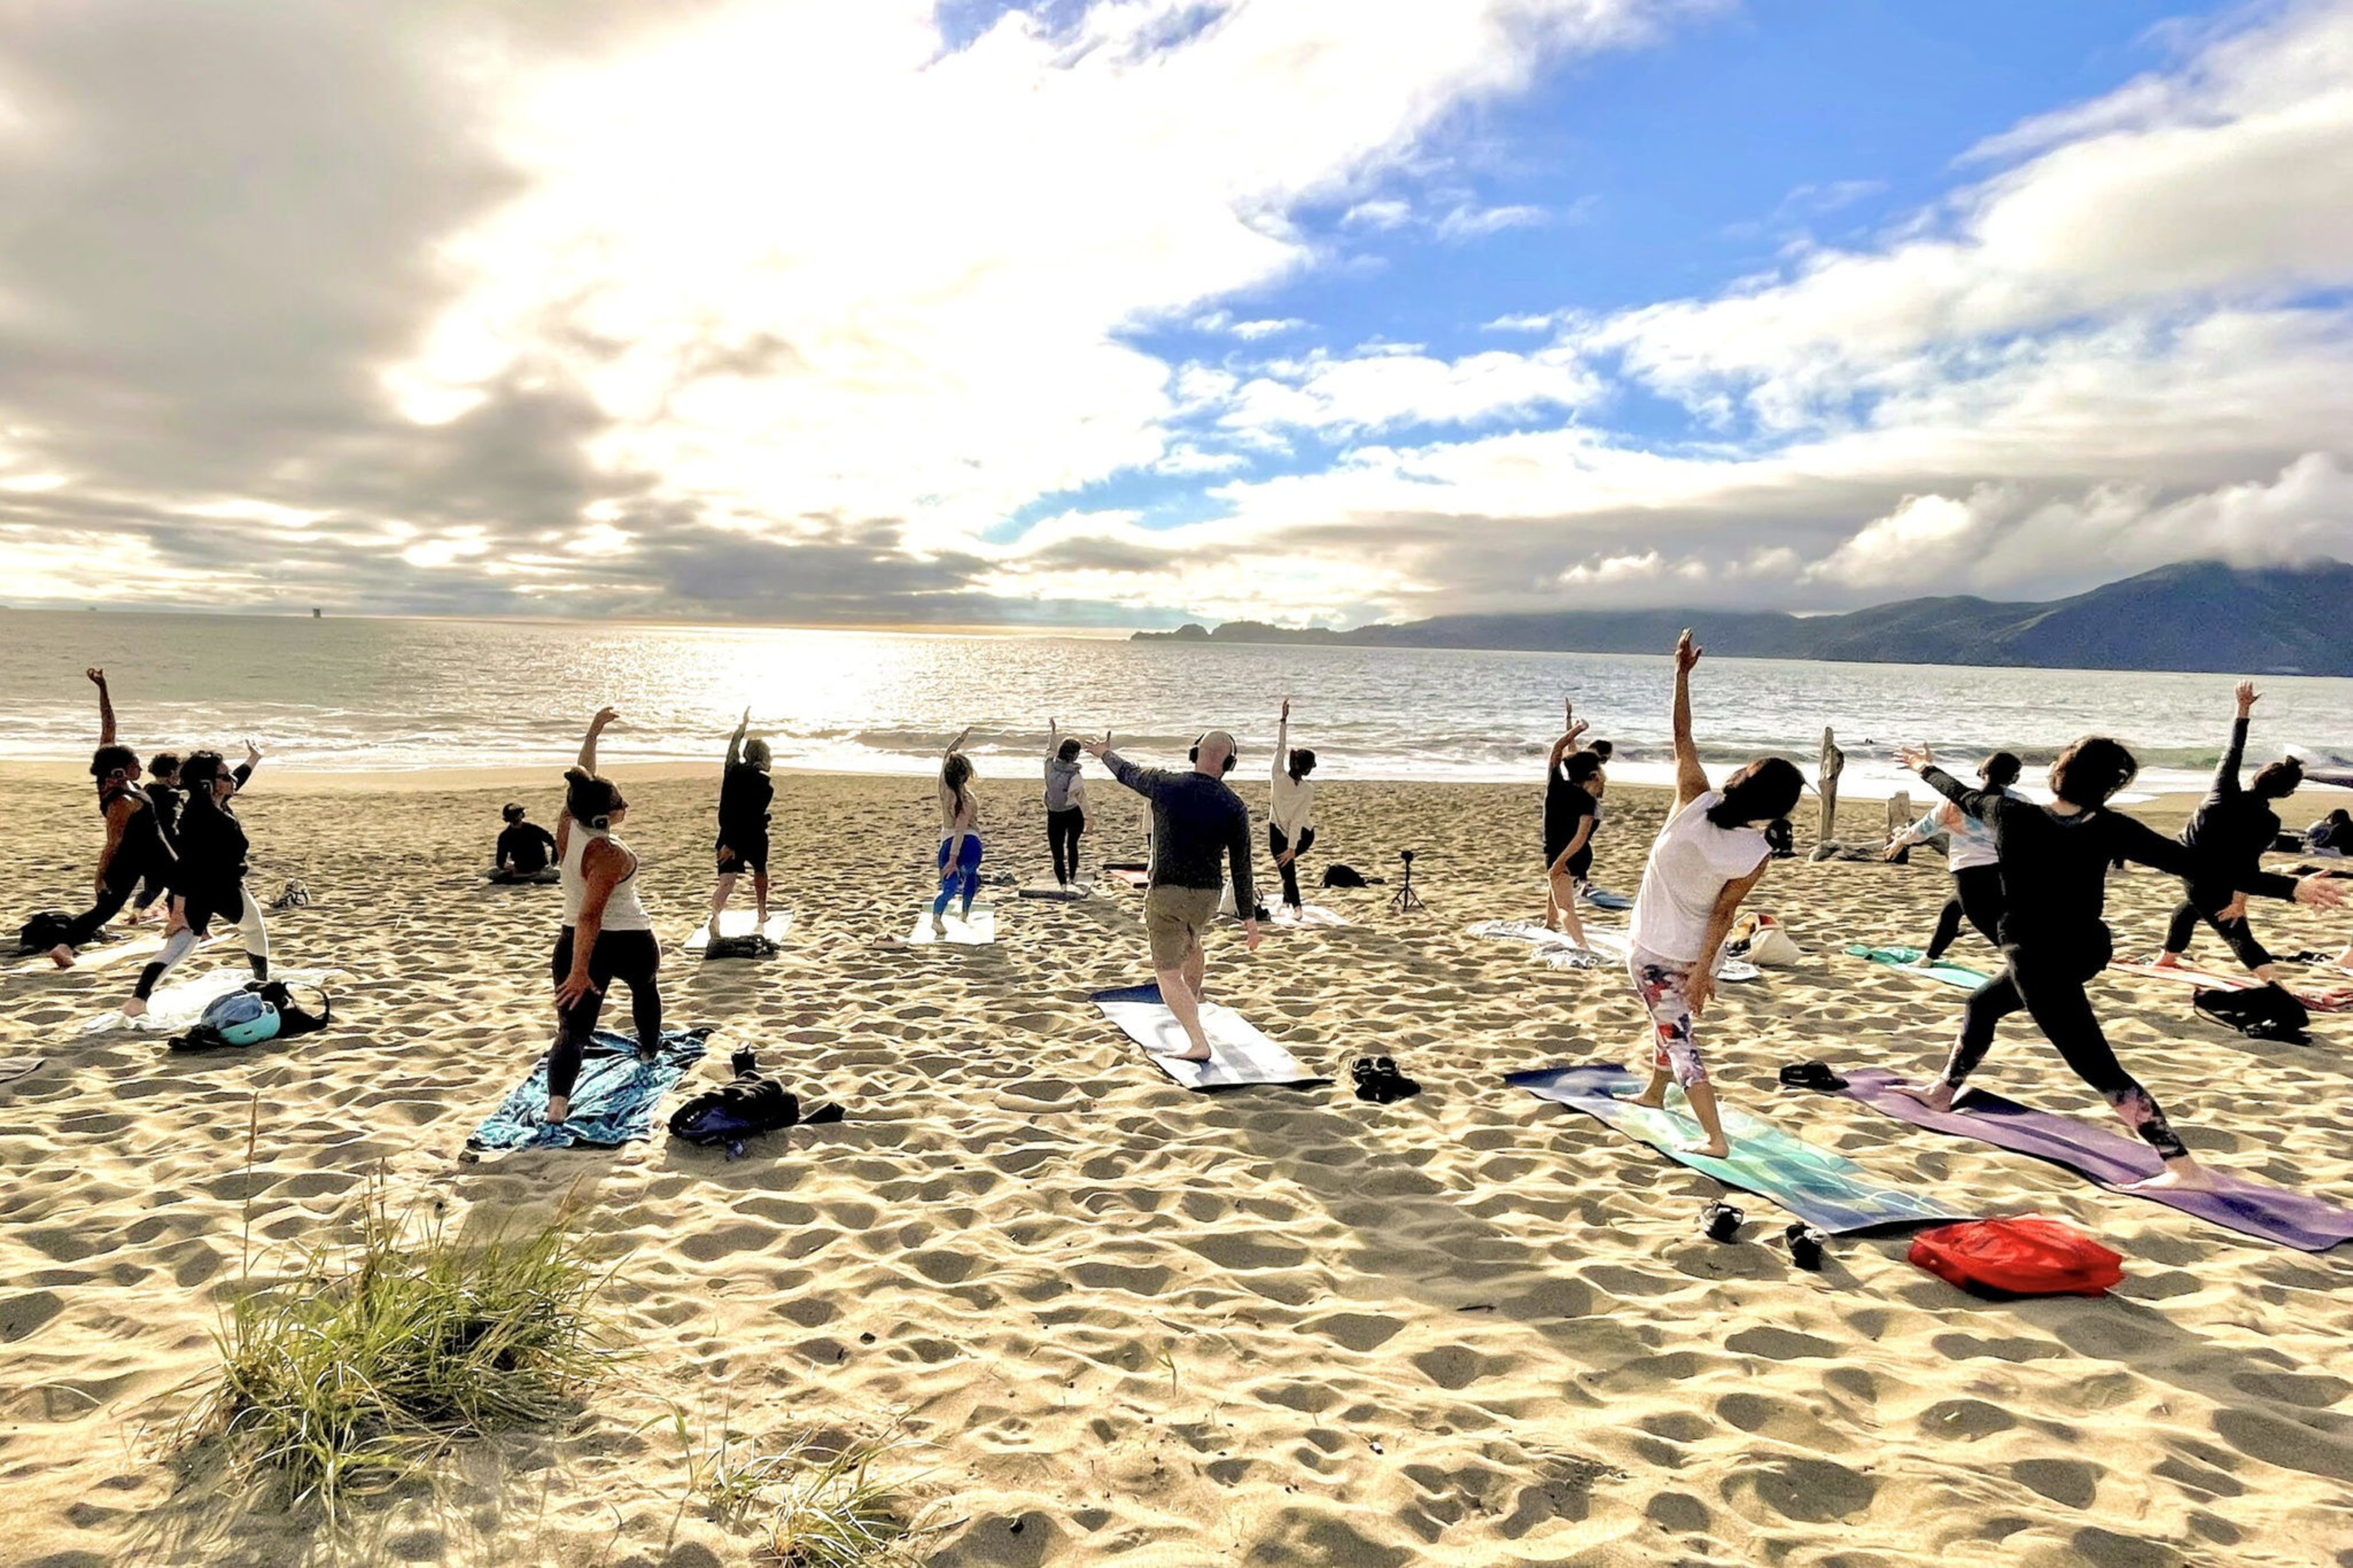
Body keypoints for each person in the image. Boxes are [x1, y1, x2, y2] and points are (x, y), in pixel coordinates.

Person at [1892, 734, 2343, 1190]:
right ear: (2110, 786)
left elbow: (1958, 791)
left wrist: (1922, 768)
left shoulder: (2009, 814)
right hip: (2086, 949)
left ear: (2059, 773)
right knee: (1983, 1004)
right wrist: (2289, 888)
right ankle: (1943, 1092)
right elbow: (2194, 864)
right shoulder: (2111, 827)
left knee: (2095, 1064)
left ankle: (2183, 1168)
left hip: (2038, 958)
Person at [1625, 632, 1805, 1157]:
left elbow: (1681, 733)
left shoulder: (1694, 798)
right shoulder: (1756, 851)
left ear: (1743, 778)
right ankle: (1655, 1094)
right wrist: (1704, 969)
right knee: (1667, 1020)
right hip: (1695, 954)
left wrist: (1681, 674)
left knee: (1680, 1040)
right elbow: (1724, 916)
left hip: (1656, 954)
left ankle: (1715, 1138)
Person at [1081, 727, 1259, 1061]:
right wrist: (1249, 918)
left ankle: (1197, 1042)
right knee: (1192, 943)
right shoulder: (1234, 805)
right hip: (1207, 897)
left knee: (1166, 973)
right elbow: (1242, 865)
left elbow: (1127, 773)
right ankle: (1190, 1004)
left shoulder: (1167, 784)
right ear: (1230, 763)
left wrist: (1104, 752)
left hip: (1168, 893)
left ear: (1194, 754)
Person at [547, 708, 662, 1125]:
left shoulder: (568, 825)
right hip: (623, 940)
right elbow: (591, 914)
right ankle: (649, 1052)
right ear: (602, 816)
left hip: (575, 938)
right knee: (644, 989)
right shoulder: (609, 856)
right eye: (619, 804)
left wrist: (593, 736)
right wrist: (580, 971)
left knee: (573, 1030)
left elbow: (584, 781)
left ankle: (557, 1105)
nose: (625, 805)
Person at [2154, 683, 2305, 985]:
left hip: (2186, 865)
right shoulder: (2269, 822)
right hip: (2215, 877)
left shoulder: (2222, 791)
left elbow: (2233, 750)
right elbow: (2247, 866)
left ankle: (2167, 960)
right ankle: (2274, 985)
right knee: (2232, 928)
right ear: (2286, 793)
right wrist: (2240, 902)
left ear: (2257, 776)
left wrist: (2243, 709)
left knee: (2194, 908)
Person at [122, 740, 267, 1017]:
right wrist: (177, 910)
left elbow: (236, 780)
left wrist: (254, 759)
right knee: (254, 928)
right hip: (220, 889)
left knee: (178, 949)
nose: (232, 779)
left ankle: (138, 1000)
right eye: (224, 776)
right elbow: (186, 866)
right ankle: (262, 981)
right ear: (207, 784)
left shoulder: (206, 805)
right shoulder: (207, 818)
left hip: (199, 892)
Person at [49, 670, 176, 966]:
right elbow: (112, 842)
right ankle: (64, 946)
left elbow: (108, 727)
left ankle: (189, 925)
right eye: (136, 764)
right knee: (106, 908)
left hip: (150, 852)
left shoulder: (113, 771)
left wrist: (103, 688)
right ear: (123, 768)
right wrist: (99, 878)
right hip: (136, 856)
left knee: (185, 883)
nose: (141, 767)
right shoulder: (121, 800)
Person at [1885, 751, 2025, 964]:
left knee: (2000, 936)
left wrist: (1901, 841)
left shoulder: (1956, 801)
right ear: (2014, 777)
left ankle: (2031, 971)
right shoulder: (2021, 802)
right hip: (2004, 873)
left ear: (1982, 771)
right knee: (1952, 909)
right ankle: (1929, 957)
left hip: (1969, 873)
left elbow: (1925, 828)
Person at [707, 709, 775, 940]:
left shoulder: (732, 769)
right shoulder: (764, 786)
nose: (771, 761)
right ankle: (762, 912)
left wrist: (742, 727)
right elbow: (749, 816)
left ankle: (715, 917)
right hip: (750, 836)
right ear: (762, 759)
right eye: (769, 757)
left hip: (727, 835)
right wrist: (734, 844)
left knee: (726, 883)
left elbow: (733, 748)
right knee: (760, 870)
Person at [1542, 699, 1597, 934]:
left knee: (1566, 905)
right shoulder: (1588, 797)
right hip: (1579, 853)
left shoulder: (1555, 785)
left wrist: (1578, 727)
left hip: (1561, 851)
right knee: (1555, 886)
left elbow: (1558, 749)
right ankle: (1549, 923)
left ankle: (1580, 943)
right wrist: (1570, 721)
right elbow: (1570, 753)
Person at [1268, 699, 1319, 913]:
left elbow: (1280, 747)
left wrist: (1284, 719)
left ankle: (1296, 908)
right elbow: (1298, 819)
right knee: (1286, 868)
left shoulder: (1277, 775)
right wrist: (1292, 847)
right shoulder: (1308, 790)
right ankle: (1288, 901)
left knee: (1287, 869)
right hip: (1306, 834)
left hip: (1289, 833)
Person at [933, 727, 981, 936]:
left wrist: (960, 740)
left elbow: (946, 756)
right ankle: (964, 914)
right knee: (971, 877)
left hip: (948, 841)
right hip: (971, 845)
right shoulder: (967, 799)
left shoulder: (944, 789)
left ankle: (937, 919)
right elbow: (962, 830)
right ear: (966, 775)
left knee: (949, 887)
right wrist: (956, 859)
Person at [132, 752, 184, 921]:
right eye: (179, 772)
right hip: (168, 848)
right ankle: (175, 916)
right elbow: (172, 825)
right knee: (179, 886)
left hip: (147, 849)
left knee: (152, 888)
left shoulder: (147, 790)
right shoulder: (172, 795)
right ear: (171, 774)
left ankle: (137, 912)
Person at [1044, 719, 1089, 888]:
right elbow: (1081, 799)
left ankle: (1063, 884)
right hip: (1072, 814)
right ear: (1074, 756)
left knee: (1057, 852)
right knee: (1072, 846)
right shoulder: (1075, 775)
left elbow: (1050, 749)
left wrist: (1053, 731)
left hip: (1054, 814)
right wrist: (1089, 818)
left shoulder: (1048, 765)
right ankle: (1073, 879)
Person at [496, 802, 559, 879]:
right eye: (513, 815)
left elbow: (554, 844)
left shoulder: (534, 830)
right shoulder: (505, 836)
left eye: (518, 814)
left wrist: (553, 864)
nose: (516, 817)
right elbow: (500, 860)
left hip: (540, 869)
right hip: (520, 870)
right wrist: (507, 867)